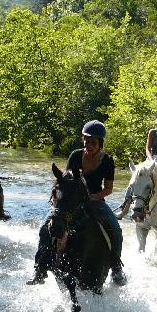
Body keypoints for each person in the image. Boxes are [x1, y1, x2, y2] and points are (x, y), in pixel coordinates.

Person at [27, 120, 126, 286]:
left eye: (93, 142)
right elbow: (66, 179)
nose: (89, 145)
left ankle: (116, 267)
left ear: (100, 143)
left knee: (115, 228)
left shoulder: (107, 160)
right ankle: (40, 269)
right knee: (45, 228)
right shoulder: (75, 155)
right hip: (71, 201)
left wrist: (92, 197)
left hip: (95, 201)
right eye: (86, 141)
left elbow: (108, 189)